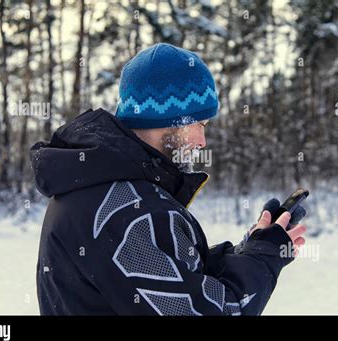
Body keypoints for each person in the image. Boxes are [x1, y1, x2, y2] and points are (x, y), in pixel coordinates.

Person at [31, 43, 307, 315]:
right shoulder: (127, 211)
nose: (202, 141)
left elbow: (173, 277)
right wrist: (262, 259)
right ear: (167, 117)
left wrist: (250, 249)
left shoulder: (103, 186)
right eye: (199, 125)